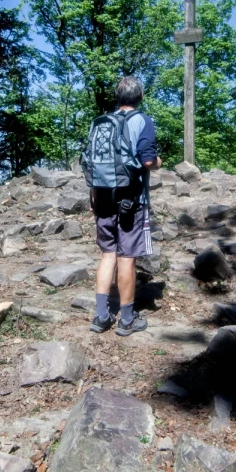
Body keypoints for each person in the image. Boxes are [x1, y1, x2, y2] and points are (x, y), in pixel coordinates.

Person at [91, 76, 161, 335]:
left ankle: (101, 316)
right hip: (132, 199)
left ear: (117, 98)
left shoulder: (100, 122)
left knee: (108, 254)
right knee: (127, 257)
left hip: (102, 195)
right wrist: (159, 162)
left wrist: (94, 196)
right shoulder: (142, 120)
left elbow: (93, 162)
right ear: (140, 97)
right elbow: (148, 161)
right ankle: (127, 319)